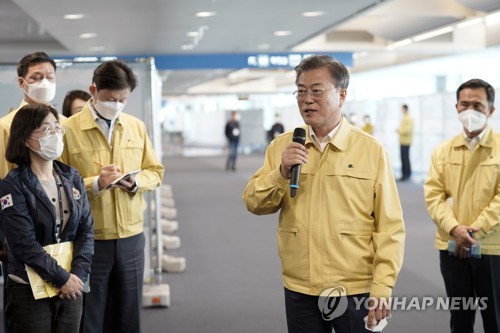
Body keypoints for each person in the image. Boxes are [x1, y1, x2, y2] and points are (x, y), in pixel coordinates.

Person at [242, 55, 405, 333]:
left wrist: (382, 285)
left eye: (317, 91)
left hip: (353, 288)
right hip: (300, 286)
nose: (307, 99)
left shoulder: (370, 150)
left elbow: (390, 226)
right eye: (301, 91)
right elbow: (254, 202)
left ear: (341, 95)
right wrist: (280, 172)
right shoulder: (283, 146)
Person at [60, 60, 164, 333]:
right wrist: (95, 184)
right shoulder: (69, 130)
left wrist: (134, 183)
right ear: (93, 90)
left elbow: (156, 172)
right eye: (110, 99)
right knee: (90, 315)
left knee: (128, 315)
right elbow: (57, 185)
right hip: (90, 240)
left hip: (131, 236)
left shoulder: (135, 127)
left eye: (122, 99)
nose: (116, 104)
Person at [0, 104, 94, 333]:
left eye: (57, 128)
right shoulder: (12, 185)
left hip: (71, 286)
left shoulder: (72, 177)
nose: (55, 135)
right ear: (25, 139)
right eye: (46, 130)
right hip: (29, 288)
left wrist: (77, 275)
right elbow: (23, 243)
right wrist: (61, 278)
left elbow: (86, 229)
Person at [424, 78, 500, 333]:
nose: (470, 111)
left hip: (492, 249)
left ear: (491, 110)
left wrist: (473, 232)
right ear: (456, 107)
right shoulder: (443, 151)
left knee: (496, 319)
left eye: (477, 105)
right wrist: (455, 228)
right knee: (460, 320)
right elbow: (434, 195)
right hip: (452, 247)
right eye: (464, 104)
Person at [0, 51, 60, 179]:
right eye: (37, 77)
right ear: (22, 82)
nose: (45, 83)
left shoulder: (65, 123)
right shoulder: (6, 126)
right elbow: (3, 176)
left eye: (49, 77)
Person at [396, 104, 413, 181]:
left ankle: (406, 175)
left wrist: (399, 130)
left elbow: (407, 130)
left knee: (405, 158)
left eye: (402, 109)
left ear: (405, 109)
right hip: (403, 141)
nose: (401, 110)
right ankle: (404, 174)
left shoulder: (409, 118)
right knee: (403, 158)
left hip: (406, 141)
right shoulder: (405, 118)